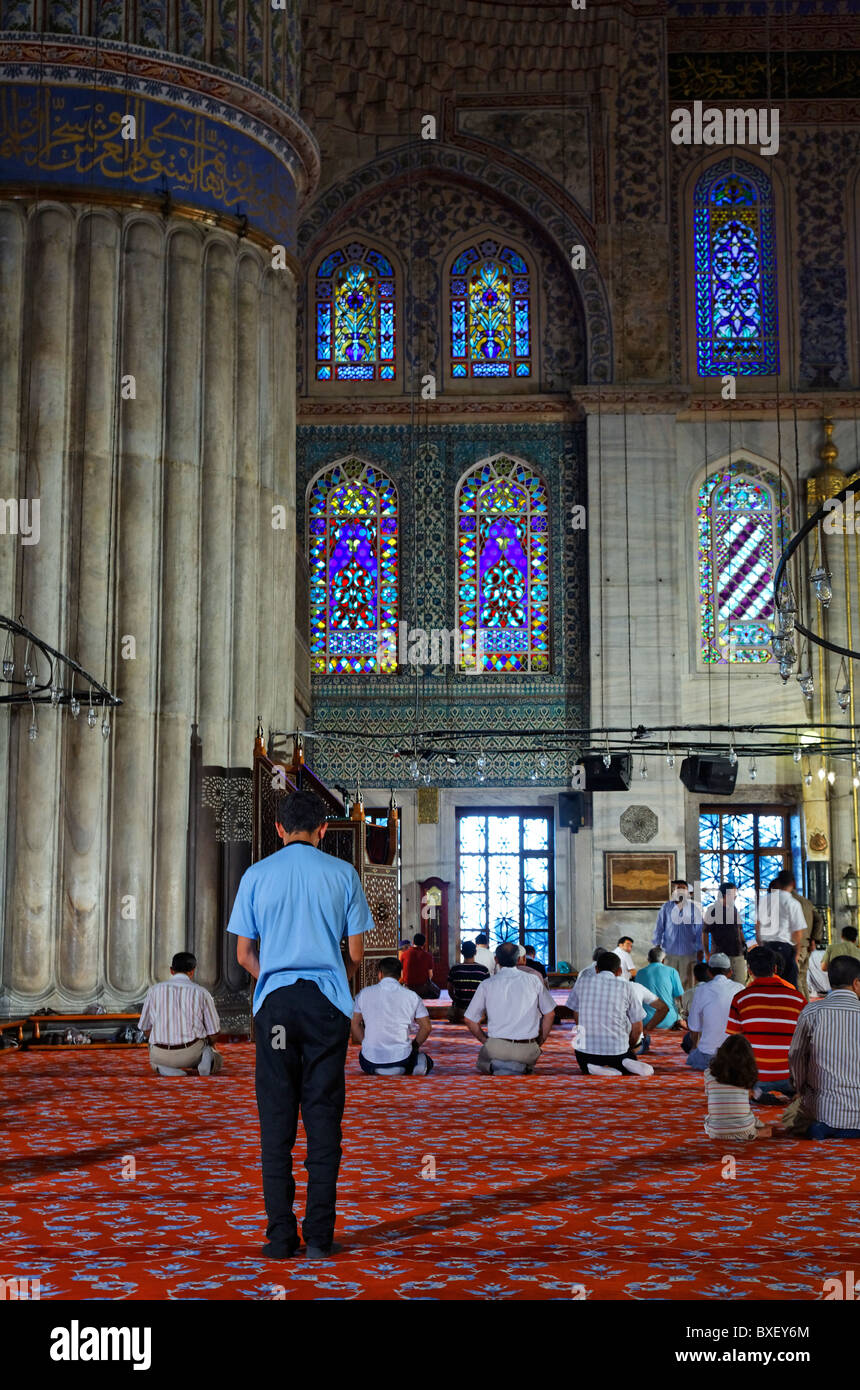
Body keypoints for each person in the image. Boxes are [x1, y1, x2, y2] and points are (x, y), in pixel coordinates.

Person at [228, 790, 373, 1260]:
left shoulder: (255, 875)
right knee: (323, 1118)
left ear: (278, 830)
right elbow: (354, 956)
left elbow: (244, 955)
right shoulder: (344, 873)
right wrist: (330, 981)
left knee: (276, 1122)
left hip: (276, 1009)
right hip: (326, 1007)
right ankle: (320, 1236)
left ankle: (280, 1236)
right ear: (324, 830)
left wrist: (276, 975)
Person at [789, 954, 860, 1139]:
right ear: (856, 983)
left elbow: (795, 1057)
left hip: (824, 1119)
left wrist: (800, 1088)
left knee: (795, 1118)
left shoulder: (811, 1012)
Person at [725, 945, 805, 1106]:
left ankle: (755, 1094)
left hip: (756, 1080)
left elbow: (733, 1044)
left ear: (749, 971)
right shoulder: (798, 999)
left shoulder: (740, 999)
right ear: (775, 968)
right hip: (792, 1080)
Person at [464, 940, 557, 1075]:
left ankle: (499, 1065)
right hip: (527, 1049)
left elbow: (469, 1020)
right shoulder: (533, 980)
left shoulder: (487, 984)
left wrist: (485, 1040)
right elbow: (550, 1014)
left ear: (496, 960)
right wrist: (540, 1041)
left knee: (482, 1062)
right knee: (525, 1057)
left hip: (496, 1048)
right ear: (519, 959)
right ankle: (520, 1066)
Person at [566, 951, 652, 1077]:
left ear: (596, 969)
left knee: (583, 1058)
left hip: (587, 1051)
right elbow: (637, 1026)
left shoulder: (581, 982)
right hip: (617, 1050)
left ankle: (593, 1068)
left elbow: (576, 1014)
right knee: (624, 1055)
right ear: (619, 971)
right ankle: (624, 1062)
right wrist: (629, 1046)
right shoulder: (626, 987)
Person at [139, 951, 223, 1077]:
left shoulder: (154, 991)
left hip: (160, 1053)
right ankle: (205, 1059)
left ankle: (162, 1066)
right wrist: (210, 1044)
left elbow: (145, 1028)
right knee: (214, 1056)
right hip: (191, 1052)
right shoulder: (201, 992)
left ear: (171, 971)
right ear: (192, 971)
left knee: (154, 1058)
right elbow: (214, 1032)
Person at [351, 958, 434, 1075]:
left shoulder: (364, 993)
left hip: (370, 1062)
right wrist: (414, 1046)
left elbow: (354, 1024)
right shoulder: (412, 996)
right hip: (402, 1059)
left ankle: (383, 1068)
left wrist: (366, 1044)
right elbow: (426, 1027)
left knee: (365, 1055)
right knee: (426, 1060)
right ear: (400, 975)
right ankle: (414, 1064)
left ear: (380, 974)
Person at [703, 1035, 772, 1143]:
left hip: (715, 1132)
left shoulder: (709, 1073)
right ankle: (754, 1132)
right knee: (766, 1129)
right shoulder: (746, 1076)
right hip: (745, 1131)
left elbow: (709, 1094)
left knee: (710, 1118)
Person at [685, 953, 744, 1071]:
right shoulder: (740, 988)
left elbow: (694, 1027)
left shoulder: (701, 990)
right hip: (735, 1057)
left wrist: (694, 1048)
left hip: (708, 1056)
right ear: (730, 972)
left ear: (709, 972)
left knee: (691, 1055)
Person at [755, 870, 805, 989]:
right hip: (785, 950)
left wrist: (761, 944)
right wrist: (796, 953)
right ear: (793, 883)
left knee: (767, 986)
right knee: (788, 987)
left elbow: (757, 925)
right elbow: (797, 932)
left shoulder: (764, 900)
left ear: (778, 883)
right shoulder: (792, 903)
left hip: (767, 947)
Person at [652, 880, 703, 990]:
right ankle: (671, 1006)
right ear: (673, 891)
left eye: (683, 888)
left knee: (687, 982)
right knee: (668, 981)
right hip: (669, 952)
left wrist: (700, 949)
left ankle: (685, 1006)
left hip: (689, 952)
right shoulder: (666, 908)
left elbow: (699, 931)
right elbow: (659, 928)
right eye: (678, 888)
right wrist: (657, 947)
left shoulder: (694, 909)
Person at [703, 883, 747, 984]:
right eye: (733, 894)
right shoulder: (712, 910)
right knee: (720, 985)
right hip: (720, 955)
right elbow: (705, 933)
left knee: (739, 984)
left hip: (737, 954)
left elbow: (739, 929)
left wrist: (744, 946)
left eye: (735, 894)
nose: (735, 897)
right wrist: (707, 953)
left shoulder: (734, 909)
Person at [635, 946, 684, 1029]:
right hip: (669, 1020)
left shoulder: (640, 973)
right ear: (663, 960)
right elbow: (680, 996)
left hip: (645, 1020)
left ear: (648, 959)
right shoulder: (672, 971)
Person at [446, 941, 490, 1023]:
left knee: (451, 1014)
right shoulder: (483, 970)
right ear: (475, 952)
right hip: (477, 1011)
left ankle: (461, 1019)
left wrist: (457, 1001)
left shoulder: (455, 969)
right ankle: (477, 1019)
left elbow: (450, 990)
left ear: (462, 952)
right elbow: (488, 992)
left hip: (460, 1010)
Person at [793, 888, 825, 997]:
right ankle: (805, 1005)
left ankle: (801, 1008)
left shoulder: (788, 901)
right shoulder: (806, 902)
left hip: (795, 945)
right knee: (802, 979)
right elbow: (819, 920)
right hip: (806, 945)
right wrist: (813, 940)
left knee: (796, 978)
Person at [628, 973, 668, 1053]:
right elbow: (663, 1008)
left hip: (599, 1048)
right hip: (630, 1047)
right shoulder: (636, 987)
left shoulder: (597, 987)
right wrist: (647, 1029)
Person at [401, 932, 440, 999]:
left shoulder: (404, 954)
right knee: (437, 992)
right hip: (423, 989)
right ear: (424, 943)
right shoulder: (428, 956)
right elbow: (430, 975)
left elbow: (401, 974)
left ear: (413, 942)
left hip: (408, 988)